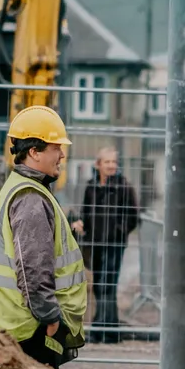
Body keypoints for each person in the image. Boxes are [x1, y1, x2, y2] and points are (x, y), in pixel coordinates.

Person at [0, 105, 86, 369]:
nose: (61, 154)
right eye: (55, 148)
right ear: (34, 152)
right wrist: (50, 317)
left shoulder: (23, 188)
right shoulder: (30, 197)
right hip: (28, 329)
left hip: (16, 325)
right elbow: (33, 268)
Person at [70, 147, 139, 344]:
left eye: (113, 162)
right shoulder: (91, 186)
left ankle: (103, 329)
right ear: (98, 164)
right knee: (100, 285)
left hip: (114, 244)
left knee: (108, 284)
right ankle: (108, 328)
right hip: (95, 243)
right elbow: (85, 211)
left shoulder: (123, 186)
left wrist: (119, 231)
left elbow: (133, 216)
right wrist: (81, 223)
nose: (111, 165)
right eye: (107, 162)